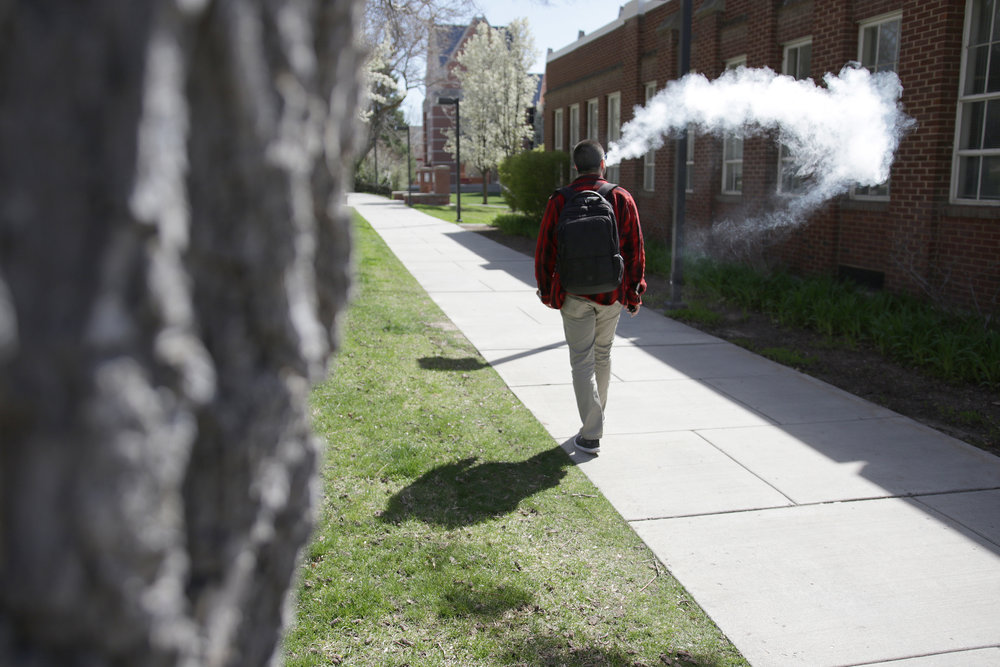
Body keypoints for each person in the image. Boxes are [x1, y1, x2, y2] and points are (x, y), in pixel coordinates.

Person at [535, 139, 646, 456]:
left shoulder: (560, 200)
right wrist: (634, 293)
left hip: (572, 295)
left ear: (575, 167)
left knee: (581, 361)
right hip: (610, 295)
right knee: (603, 355)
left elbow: (545, 250)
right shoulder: (620, 197)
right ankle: (593, 425)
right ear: (603, 164)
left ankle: (591, 431)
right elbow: (634, 250)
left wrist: (547, 291)